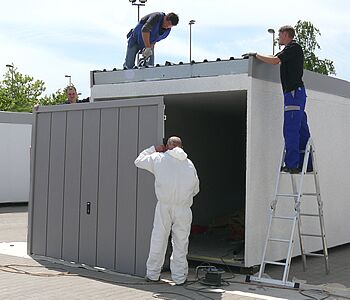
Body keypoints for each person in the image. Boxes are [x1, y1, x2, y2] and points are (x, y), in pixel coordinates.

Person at [243, 25, 312, 174]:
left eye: (280, 35)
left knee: (291, 129)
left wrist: (255, 55)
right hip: (297, 93)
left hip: (293, 93)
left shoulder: (293, 47)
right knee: (301, 127)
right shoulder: (291, 49)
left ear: (286, 35)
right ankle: (308, 164)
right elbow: (274, 57)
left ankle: (293, 165)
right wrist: (260, 56)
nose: (278, 37)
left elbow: (275, 60)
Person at [134, 136, 199, 285]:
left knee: (159, 239)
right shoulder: (190, 164)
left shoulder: (159, 158)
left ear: (167, 146)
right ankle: (180, 277)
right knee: (181, 243)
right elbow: (196, 189)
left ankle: (153, 274)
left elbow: (138, 161)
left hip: (164, 205)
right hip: (183, 208)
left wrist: (153, 149)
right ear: (182, 147)